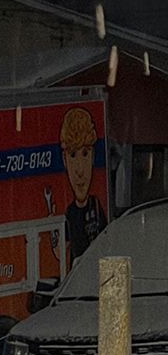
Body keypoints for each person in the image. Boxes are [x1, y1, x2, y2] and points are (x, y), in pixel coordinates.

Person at [59, 107, 106, 266]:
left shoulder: (97, 205)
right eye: (73, 155)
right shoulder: (69, 213)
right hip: (78, 281)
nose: (80, 170)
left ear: (93, 156)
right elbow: (61, 252)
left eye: (85, 153)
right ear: (64, 160)